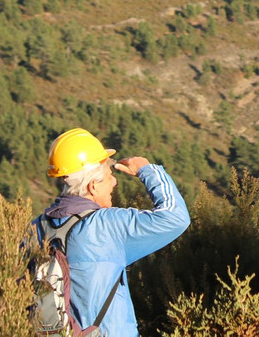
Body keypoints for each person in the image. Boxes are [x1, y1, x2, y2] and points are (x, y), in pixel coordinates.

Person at [35, 127, 190, 337]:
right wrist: (147, 170)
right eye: (109, 176)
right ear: (93, 187)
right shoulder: (108, 227)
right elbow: (175, 217)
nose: (115, 181)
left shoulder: (35, 228)